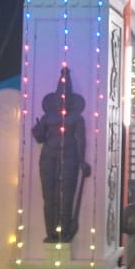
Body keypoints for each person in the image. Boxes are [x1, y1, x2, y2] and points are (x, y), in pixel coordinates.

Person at [32, 68, 90, 243]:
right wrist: (37, 131)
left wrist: (82, 161)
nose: (62, 98)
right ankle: (51, 232)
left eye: (66, 95)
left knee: (66, 195)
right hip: (48, 155)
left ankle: (64, 232)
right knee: (48, 195)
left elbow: (81, 140)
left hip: (70, 155)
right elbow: (40, 138)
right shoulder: (47, 116)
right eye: (59, 95)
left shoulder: (76, 118)